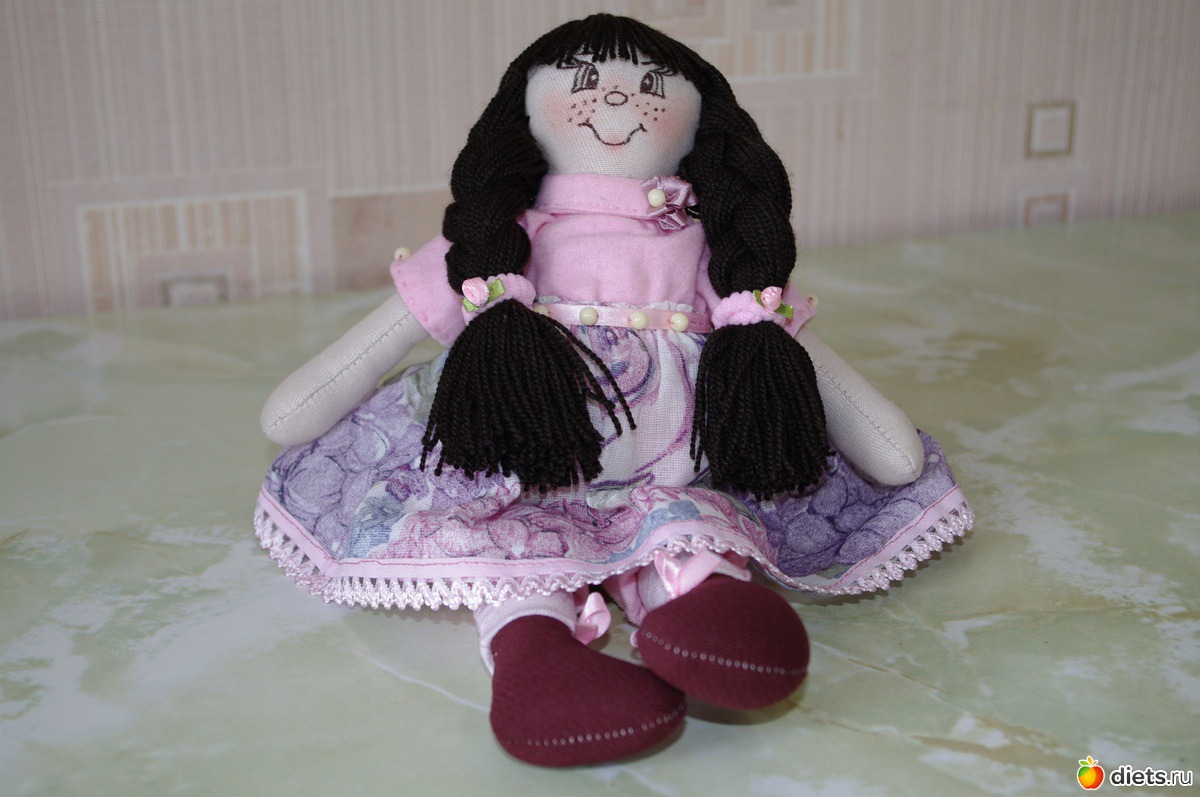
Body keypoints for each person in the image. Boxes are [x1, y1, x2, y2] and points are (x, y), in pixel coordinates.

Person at [255, 14, 971, 767]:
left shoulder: (711, 239)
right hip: (522, 466)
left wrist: (878, 437)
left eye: (655, 85)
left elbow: (780, 339)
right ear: (523, 114)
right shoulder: (495, 239)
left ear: (702, 121)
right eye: (586, 82)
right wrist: (309, 399)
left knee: (688, 520)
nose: (620, 99)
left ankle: (698, 600)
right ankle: (535, 647)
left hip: (675, 469)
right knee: (507, 533)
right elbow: (372, 346)